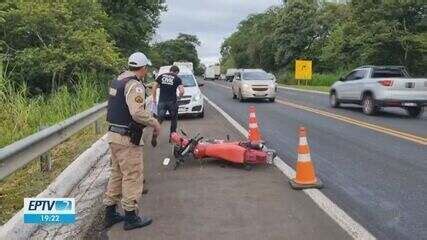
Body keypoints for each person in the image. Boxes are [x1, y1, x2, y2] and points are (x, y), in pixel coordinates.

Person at [103, 52, 161, 231]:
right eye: (146, 68)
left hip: (113, 136)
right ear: (143, 68)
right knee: (132, 175)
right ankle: (130, 216)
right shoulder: (134, 85)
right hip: (127, 139)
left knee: (117, 174)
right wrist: (154, 122)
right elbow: (136, 112)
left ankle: (110, 213)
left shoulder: (118, 81)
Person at [152, 65, 184, 137]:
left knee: (159, 120)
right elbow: (182, 91)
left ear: (170, 70)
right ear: (176, 72)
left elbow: (154, 87)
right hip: (172, 102)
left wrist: (154, 99)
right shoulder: (177, 78)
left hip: (162, 101)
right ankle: (172, 137)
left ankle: (155, 133)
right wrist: (179, 97)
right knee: (173, 120)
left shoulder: (161, 76)